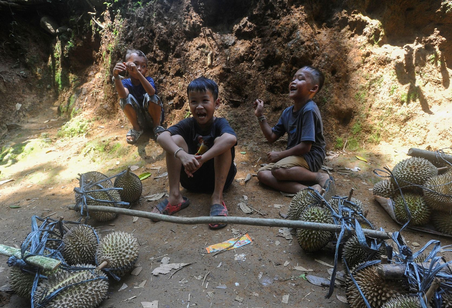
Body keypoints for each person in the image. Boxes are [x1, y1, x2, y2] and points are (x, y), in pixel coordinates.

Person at [153, 77, 237, 230]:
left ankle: (217, 199)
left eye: (205, 100)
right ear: (189, 105)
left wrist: (202, 159)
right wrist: (182, 155)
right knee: (175, 140)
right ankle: (175, 197)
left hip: (218, 181)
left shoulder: (220, 123)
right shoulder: (187, 124)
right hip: (191, 180)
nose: (199, 107)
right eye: (194, 102)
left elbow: (231, 139)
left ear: (216, 103)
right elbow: (162, 136)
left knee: (222, 142)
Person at [252, 66, 335, 197]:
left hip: (311, 157)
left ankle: (318, 176)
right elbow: (272, 137)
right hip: (295, 158)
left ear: (313, 89)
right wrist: (260, 116)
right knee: (262, 174)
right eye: (293, 79)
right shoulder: (287, 112)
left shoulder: (309, 110)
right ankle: (308, 191)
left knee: (278, 170)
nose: (293, 82)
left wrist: (279, 155)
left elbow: (306, 147)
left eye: (300, 79)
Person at [113, 49, 164, 144]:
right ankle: (137, 129)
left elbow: (152, 92)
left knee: (151, 97)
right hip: (140, 121)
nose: (139, 68)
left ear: (146, 70)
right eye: (135, 64)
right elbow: (123, 95)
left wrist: (138, 74)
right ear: (126, 66)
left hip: (153, 119)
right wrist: (116, 76)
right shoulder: (125, 82)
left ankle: (157, 127)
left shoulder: (148, 80)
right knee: (124, 100)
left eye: (143, 66)